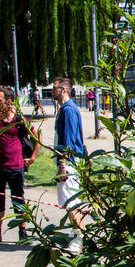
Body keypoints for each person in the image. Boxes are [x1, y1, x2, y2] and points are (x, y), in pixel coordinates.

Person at [0, 85, 37, 244]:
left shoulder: (19, 120)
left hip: (16, 167)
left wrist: (32, 157)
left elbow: (36, 136)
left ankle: (23, 231)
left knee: (18, 199)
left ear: (8, 102)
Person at [52, 75, 87, 237]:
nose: (52, 91)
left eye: (54, 88)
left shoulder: (68, 110)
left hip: (69, 163)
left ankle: (79, 238)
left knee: (71, 202)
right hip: (70, 161)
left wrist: (62, 164)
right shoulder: (66, 109)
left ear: (63, 90)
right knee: (71, 201)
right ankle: (77, 236)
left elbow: (69, 140)